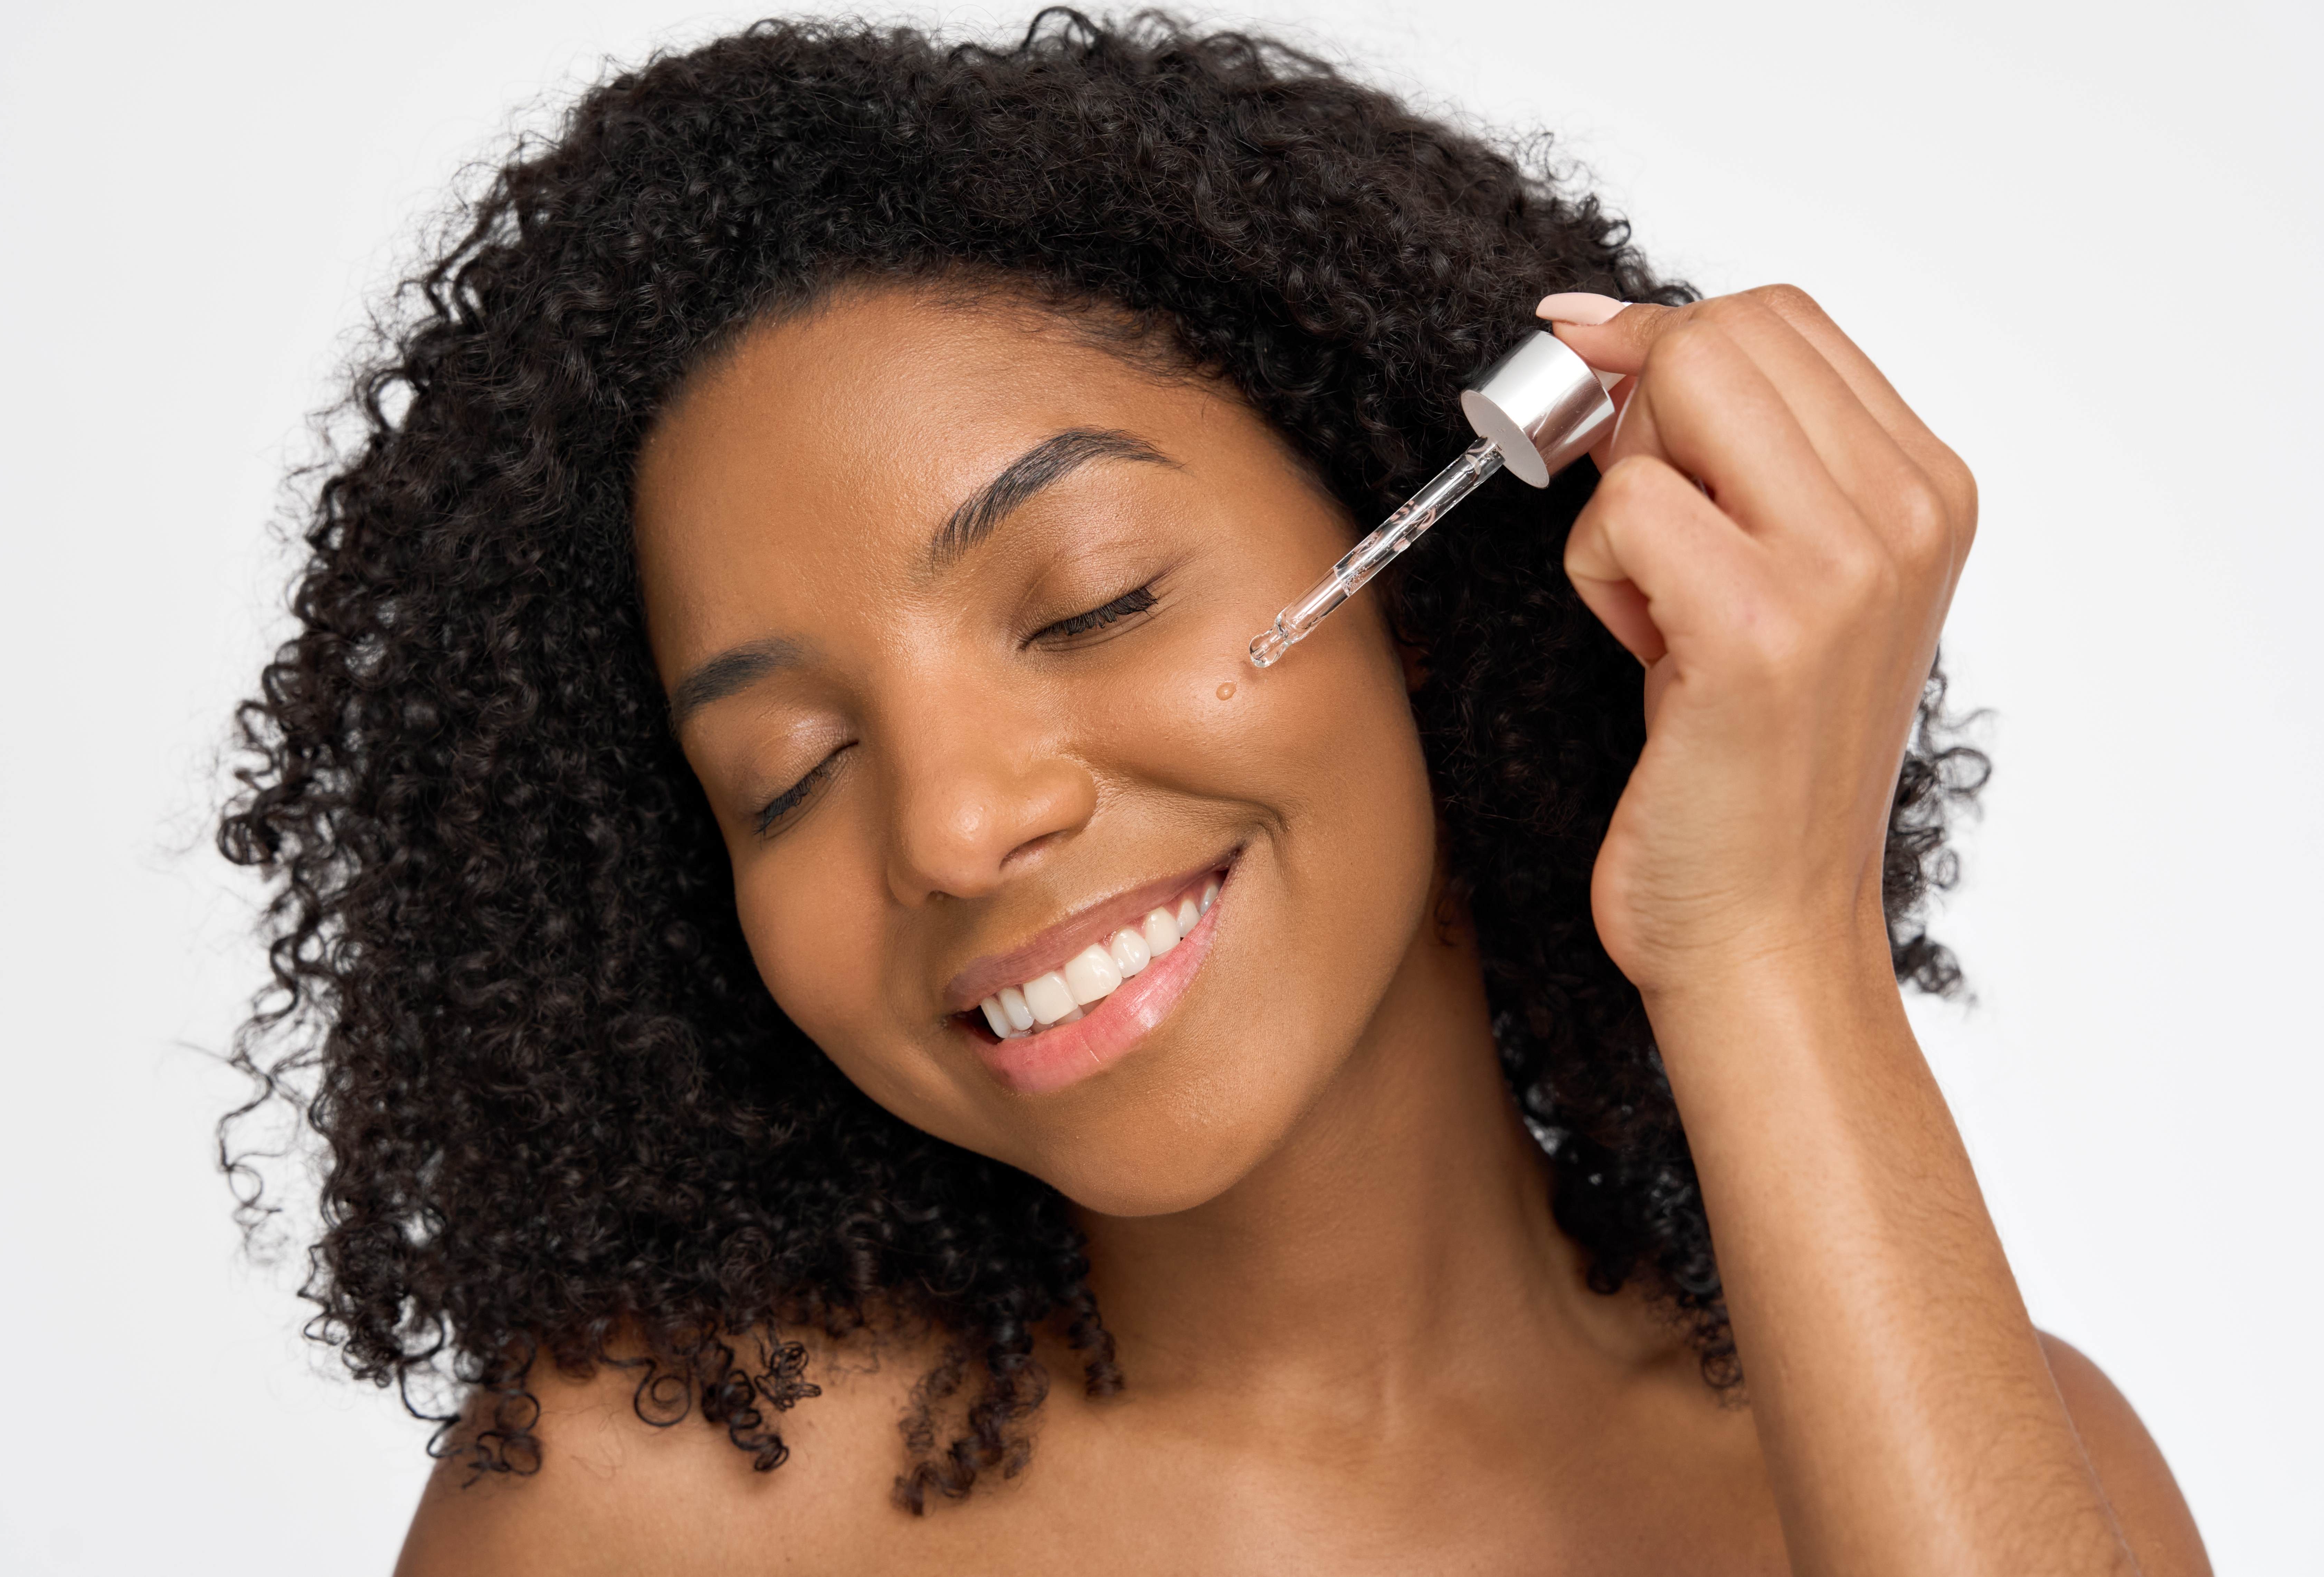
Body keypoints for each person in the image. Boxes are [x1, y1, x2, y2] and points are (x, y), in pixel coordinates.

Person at [219, 12, 2207, 1572]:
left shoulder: (2004, 1473)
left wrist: (1777, 944)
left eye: (1090, 600)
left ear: (1413, 584)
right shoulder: (640, 1524)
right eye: (789, 772)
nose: (949, 826)